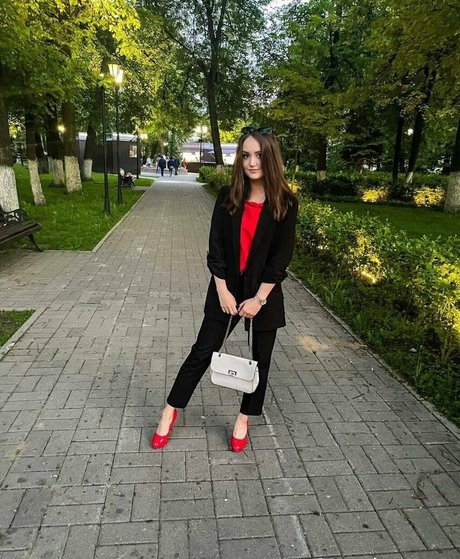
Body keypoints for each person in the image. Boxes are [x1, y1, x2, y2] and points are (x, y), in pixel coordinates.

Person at [151, 127, 298, 453]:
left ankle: (244, 418)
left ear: (271, 158)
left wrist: (259, 299)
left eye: (258, 155)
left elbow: (280, 259)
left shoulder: (286, 204)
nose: (251, 162)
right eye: (245, 155)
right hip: (225, 290)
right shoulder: (228, 196)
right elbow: (215, 248)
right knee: (201, 351)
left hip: (264, 295)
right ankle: (171, 409)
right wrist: (222, 289)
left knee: (260, 361)